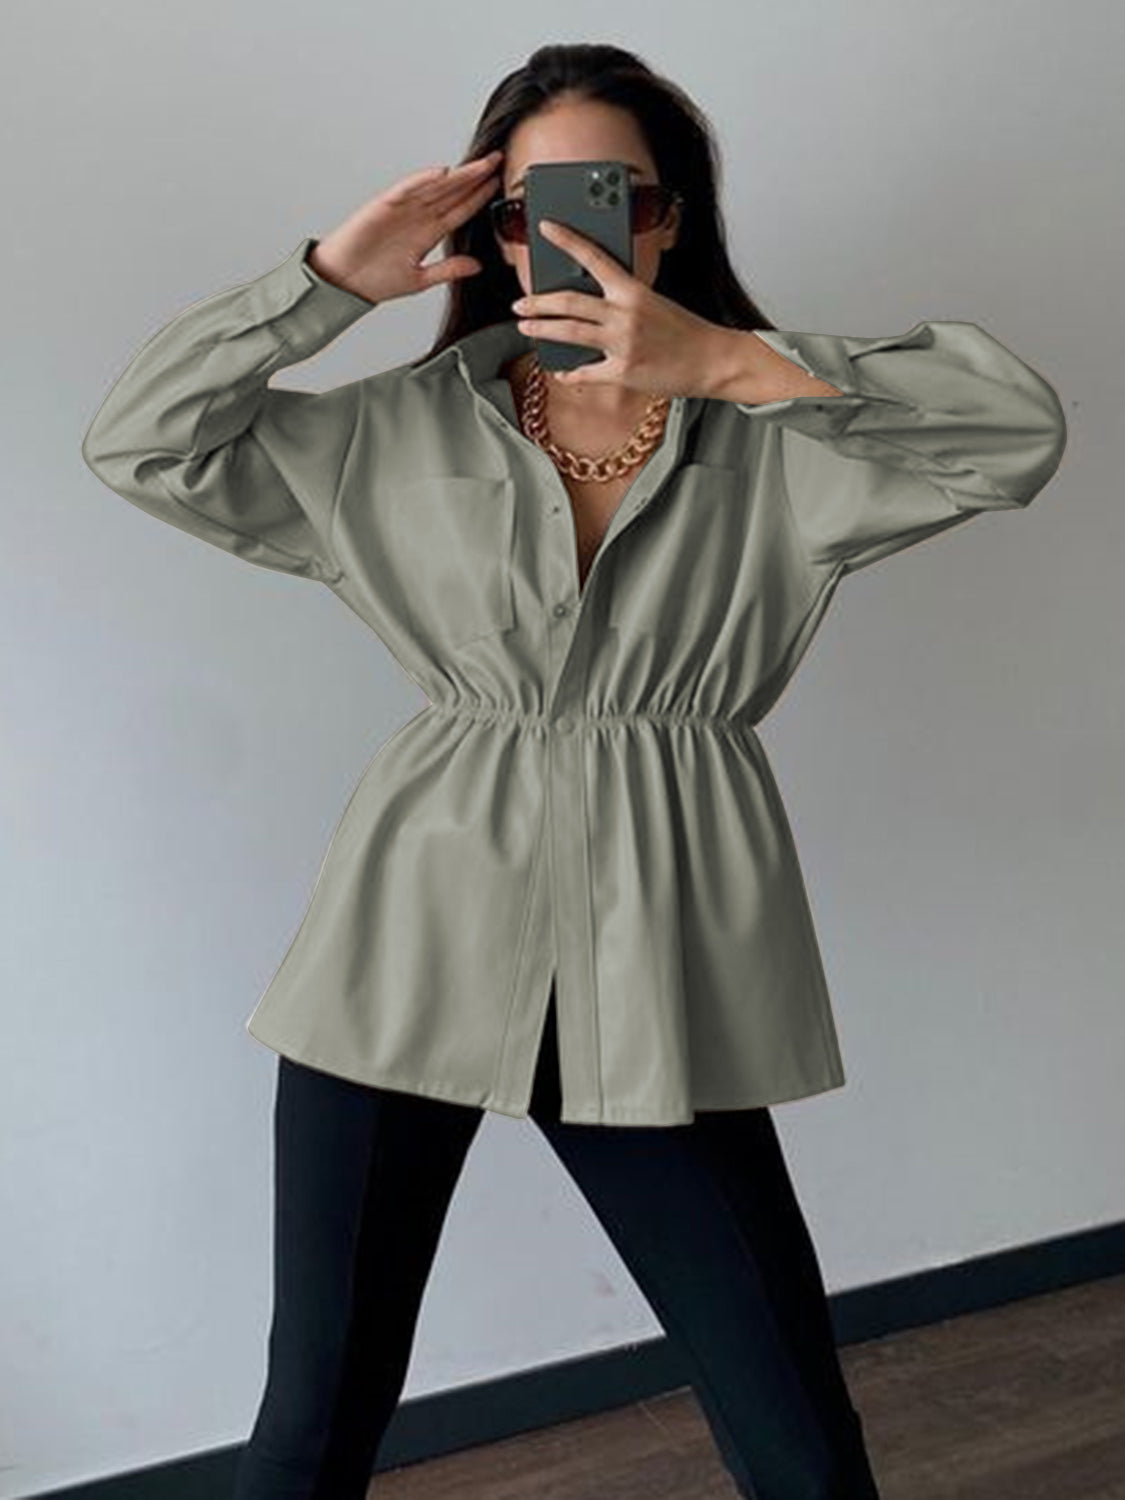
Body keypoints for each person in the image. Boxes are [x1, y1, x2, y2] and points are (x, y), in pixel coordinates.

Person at [81, 41, 1067, 1500]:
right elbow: (141, 443)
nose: (575, 235)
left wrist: (727, 362)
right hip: (402, 944)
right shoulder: (392, 433)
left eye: (616, 198)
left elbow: (1016, 434)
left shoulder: (782, 440)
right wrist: (327, 283)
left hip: (657, 952)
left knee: (793, 1430)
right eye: (529, 207)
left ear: (669, 219)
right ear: (490, 229)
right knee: (313, 1419)